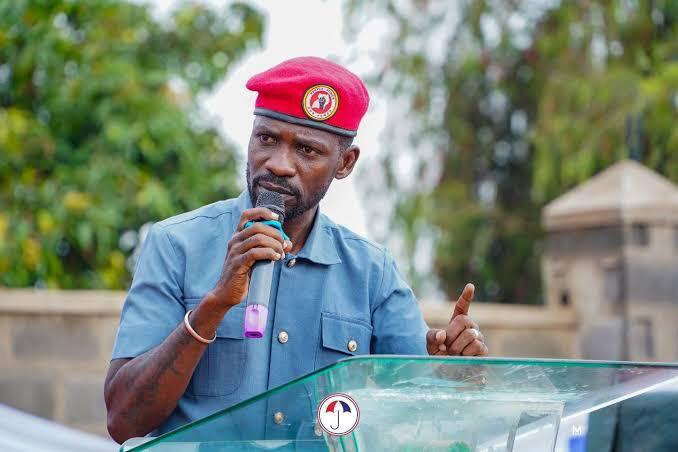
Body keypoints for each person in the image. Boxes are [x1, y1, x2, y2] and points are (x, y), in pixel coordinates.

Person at [104, 56, 488, 444]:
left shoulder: (372, 272)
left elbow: (415, 412)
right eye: (267, 139)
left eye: (306, 150)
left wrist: (449, 375)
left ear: (345, 163)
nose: (278, 164)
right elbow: (124, 421)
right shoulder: (176, 245)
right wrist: (214, 306)